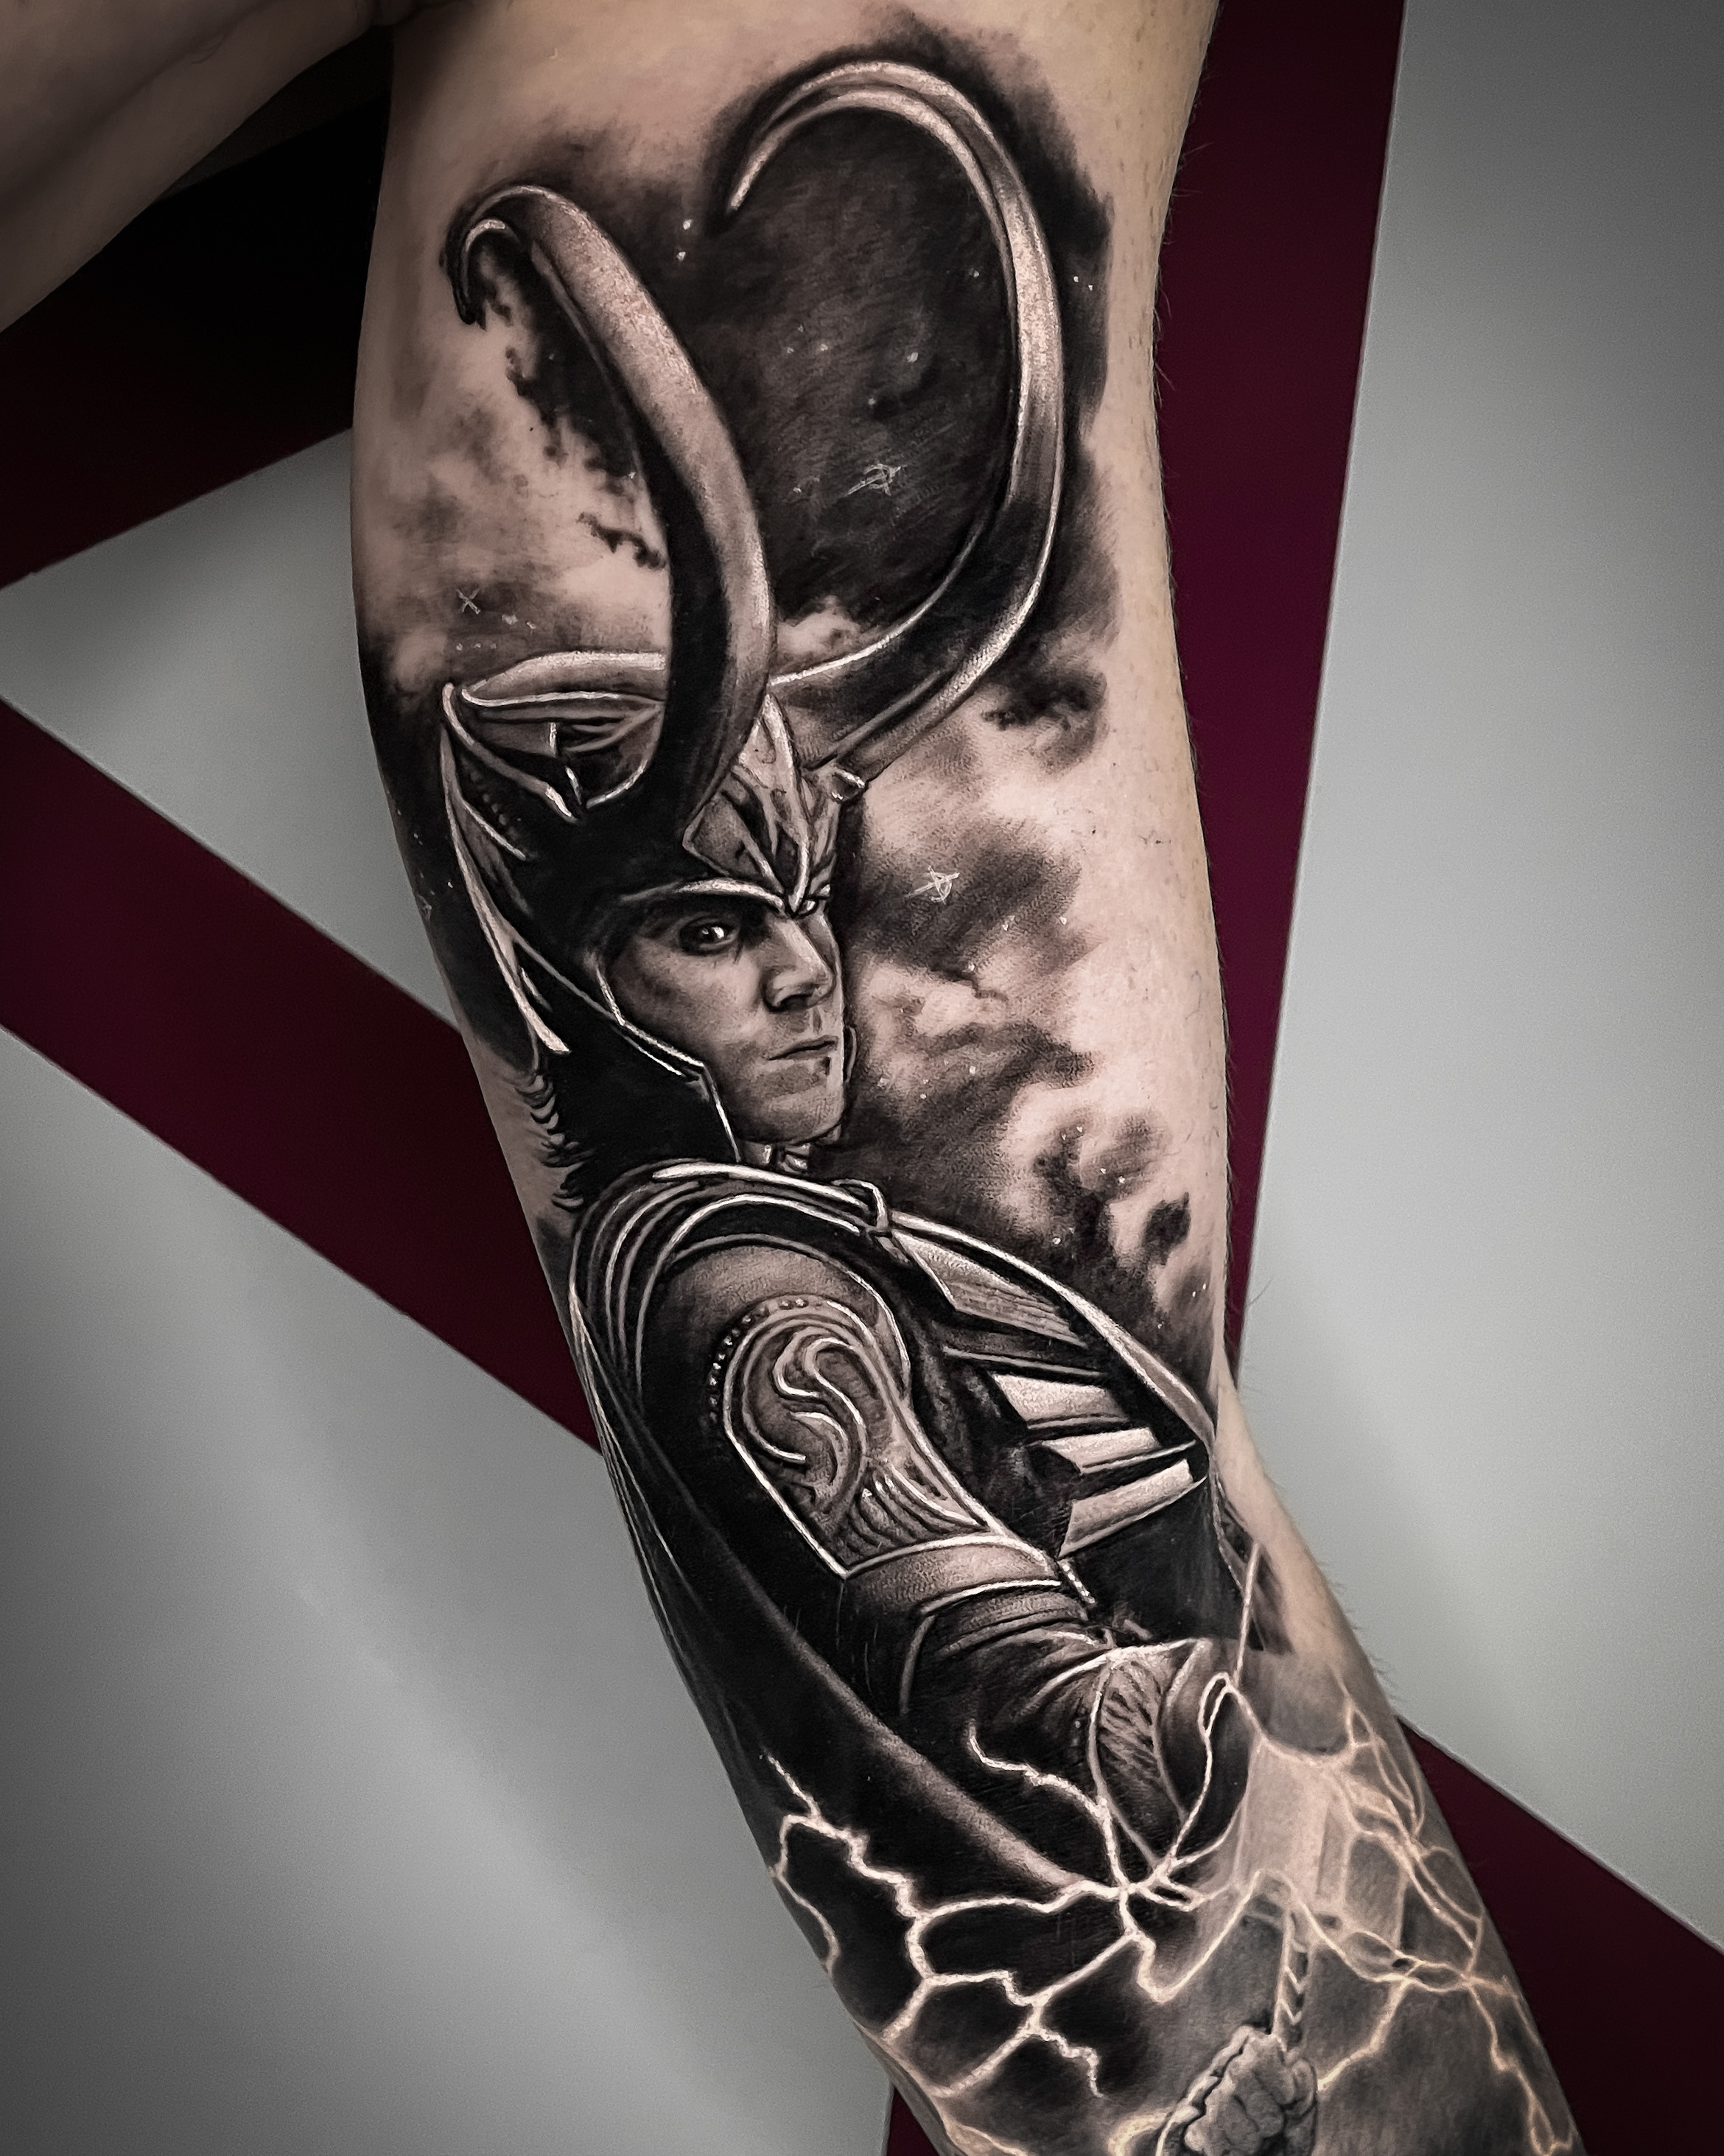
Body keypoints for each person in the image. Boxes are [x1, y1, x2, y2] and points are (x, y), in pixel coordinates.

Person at [4, 3, 1585, 2151]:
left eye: (794, 911)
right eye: (704, 925)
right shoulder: (750, 1285)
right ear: (579, 959)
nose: (802, 980)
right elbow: (967, 1615)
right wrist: (1113, 1714)